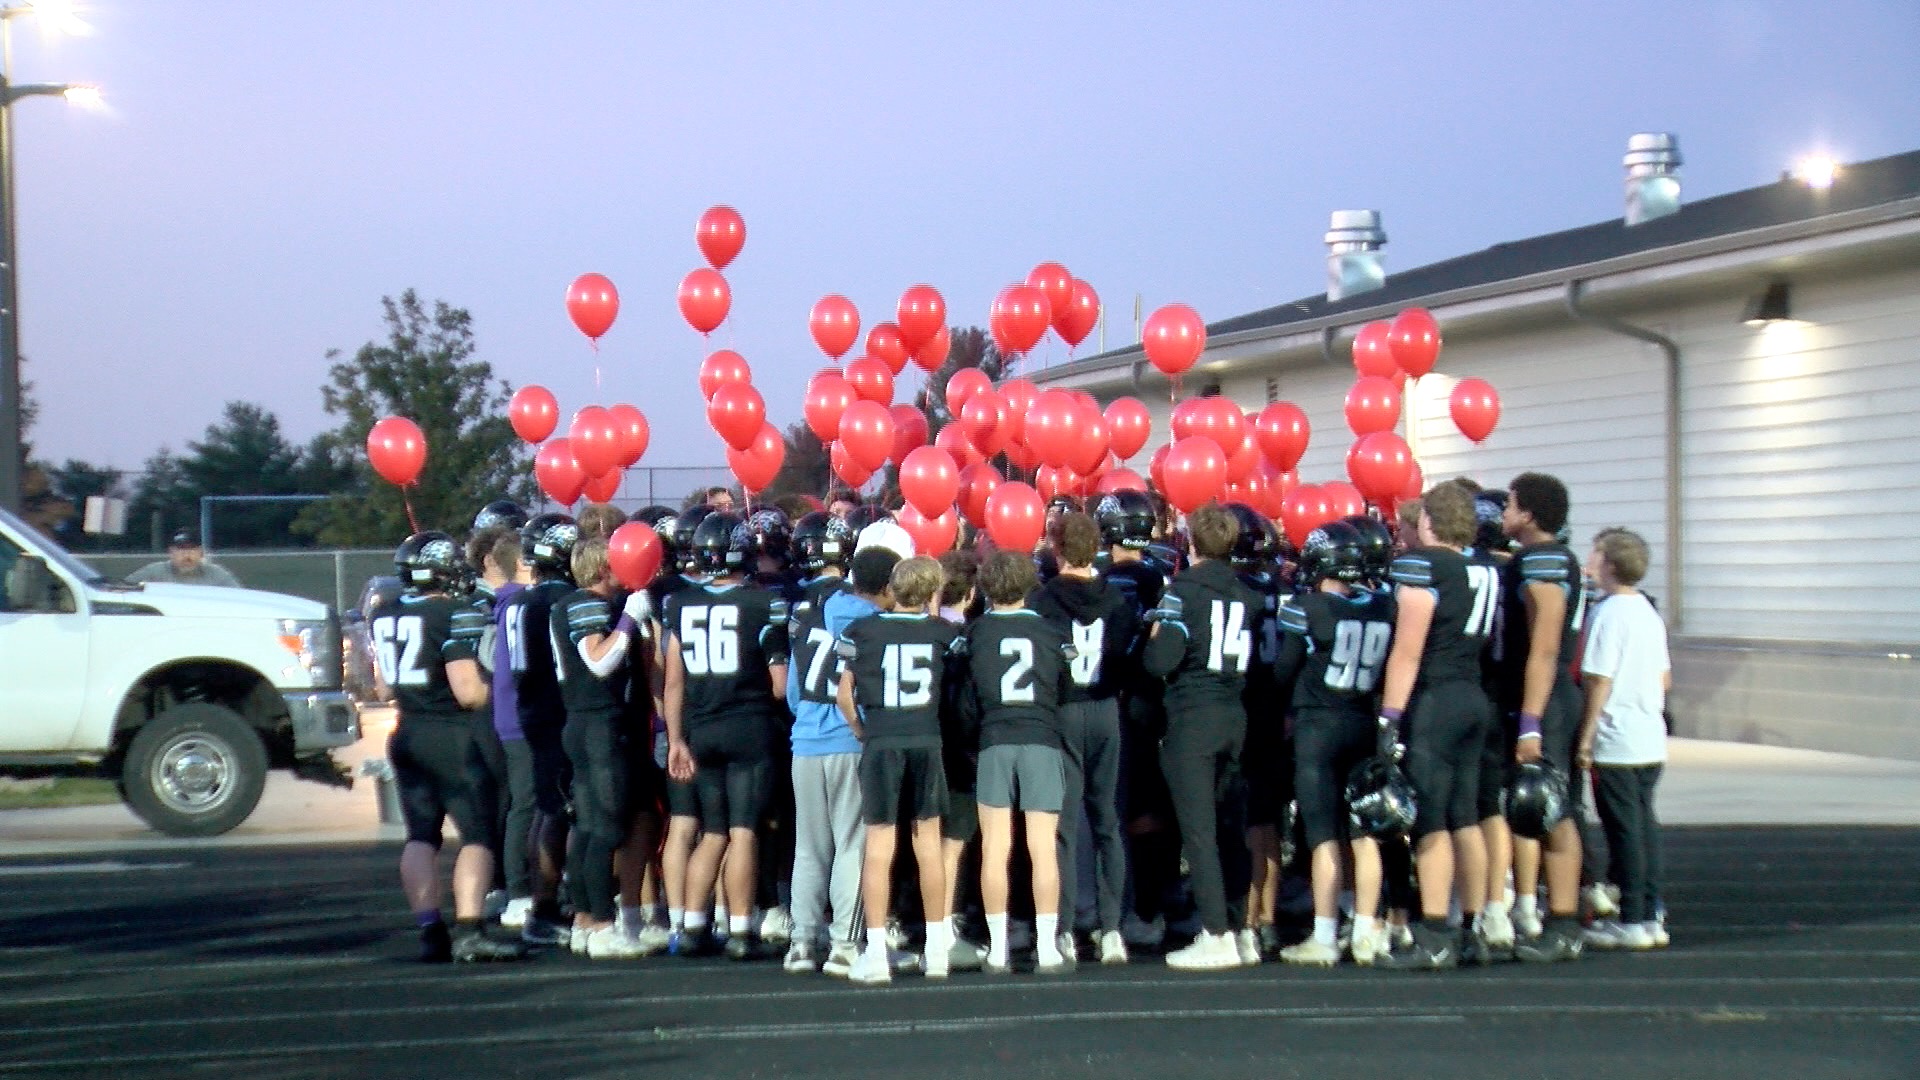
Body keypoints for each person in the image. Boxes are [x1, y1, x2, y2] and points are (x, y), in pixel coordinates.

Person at [369, 532, 524, 964]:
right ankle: (470, 930)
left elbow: (382, 687)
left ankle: (429, 929)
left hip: (406, 731)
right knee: (477, 836)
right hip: (451, 737)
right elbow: (468, 692)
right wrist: (498, 688)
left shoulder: (383, 612)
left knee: (421, 835)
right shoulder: (453, 612)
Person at [1375, 483, 1499, 970]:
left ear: (1429, 520)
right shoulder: (1482, 568)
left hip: (1436, 699)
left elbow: (1408, 650)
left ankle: (1434, 933)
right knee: (1465, 817)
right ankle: (1474, 927)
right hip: (1473, 693)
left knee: (1429, 820)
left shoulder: (1425, 567)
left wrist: (1389, 716)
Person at [662, 512, 790, 960]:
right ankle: (740, 929)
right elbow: (778, 684)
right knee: (744, 832)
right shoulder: (762, 604)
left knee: (712, 832)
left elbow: (673, 680)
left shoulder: (678, 603)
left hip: (700, 728)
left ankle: (693, 925)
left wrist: (676, 739)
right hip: (748, 725)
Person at [1142, 504, 1263, 970]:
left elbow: (1161, 662)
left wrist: (1154, 636)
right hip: (1235, 712)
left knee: (1200, 832)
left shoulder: (1183, 592)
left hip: (1194, 716)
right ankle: (1239, 926)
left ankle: (1216, 933)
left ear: (1191, 543)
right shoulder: (1246, 592)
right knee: (1233, 829)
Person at [835, 556, 962, 984]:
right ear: (930, 593)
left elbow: (844, 694)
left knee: (879, 845)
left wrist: (859, 729)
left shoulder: (862, 632)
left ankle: (875, 951)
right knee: (929, 843)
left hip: (883, 741)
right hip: (926, 739)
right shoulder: (945, 634)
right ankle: (938, 947)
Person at [1275, 522, 1397, 966]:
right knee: (1364, 834)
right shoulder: (1384, 606)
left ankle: (1325, 932)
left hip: (1318, 729)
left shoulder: (1308, 607)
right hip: (1363, 724)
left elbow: (1283, 672)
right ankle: (1366, 928)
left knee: (1324, 836)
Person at [1028, 512, 1137, 965]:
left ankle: (1066, 926)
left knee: (1066, 824)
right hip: (1107, 707)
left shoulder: (1044, 599)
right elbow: (1130, 654)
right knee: (1108, 820)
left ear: (1057, 550)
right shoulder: (1115, 598)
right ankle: (1112, 928)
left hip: (1065, 710)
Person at [962, 550, 1077, 975]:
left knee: (995, 846)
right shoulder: (1051, 632)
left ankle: (997, 948)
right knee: (1043, 847)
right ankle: (1047, 947)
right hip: (1041, 736)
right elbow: (1066, 688)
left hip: (994, 738)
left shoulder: (976, 633)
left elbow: (965, 696)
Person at [548, 538, 656, 959]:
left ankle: (585, 921)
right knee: (605, 827)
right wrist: (629, 620)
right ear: (601, 568)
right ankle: (600, 923)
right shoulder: (586, 604)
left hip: (588, 723)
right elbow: (598, 663)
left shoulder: (573, 604)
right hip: (597, 725)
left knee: (591, 827)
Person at [1498, 473, 1589, 963]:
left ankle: (1565, 922)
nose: (1503, 512)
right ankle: (1561, 918)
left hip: (1547, 700)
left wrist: (1530, 721)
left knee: (1552, 809)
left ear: (1529, 513)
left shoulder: (1546, 559)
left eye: (1510, 504)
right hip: (1545, 696)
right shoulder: (1530, 558)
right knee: (1546, 808)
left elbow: (1546, 646)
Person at [1578, 528, 1671, 951]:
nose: (1591, 561)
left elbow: (1599, 678)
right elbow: (1663, 677)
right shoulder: (1648, 614)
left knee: (1624, 830)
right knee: (1643, 824)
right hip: (1649, 733)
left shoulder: (1607, 613)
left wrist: (1587, 734)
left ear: (1611, 564)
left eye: (1596, 554)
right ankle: (1650, 913)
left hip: (1617, 737)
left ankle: (1632, 917)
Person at [782, 512, 866, 974]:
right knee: (851, 843)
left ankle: (801, 942)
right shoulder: (857, 606)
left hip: (806, 739)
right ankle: (843, 944)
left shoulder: (799, 609)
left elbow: (795, 692)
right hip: (846, 738)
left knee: (809, 848)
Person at [1094, 489, 1176, 949]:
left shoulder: (1106, 578)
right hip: (1149, 699)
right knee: (1148, 810)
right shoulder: (1160, 576)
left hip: (1115, 698)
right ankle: (1150, 904)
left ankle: (1125, 906)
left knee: (1115, 810)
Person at [499, 514, 580, 947]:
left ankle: (541, 902)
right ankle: (546, 906)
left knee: (547, 809)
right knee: (559, 811)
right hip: (557, 712)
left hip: (531, 708)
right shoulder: (560, 600)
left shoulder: (518, 601)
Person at [1222, 503, 1289, 959]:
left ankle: (1247, 915)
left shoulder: (1231, 589)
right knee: (1268, 820)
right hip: (1279, 705)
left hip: (1245, 702)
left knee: (1246, 817)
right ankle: (1267, 916)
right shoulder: (1284, 589)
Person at [127, 531, 241, 588]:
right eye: (181, 550)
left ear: (201, 553)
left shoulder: (217, 574)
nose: (187, 555)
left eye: (192, 550)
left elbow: (238, 597)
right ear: (171, 552)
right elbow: (123, 589)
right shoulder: (154, 572)